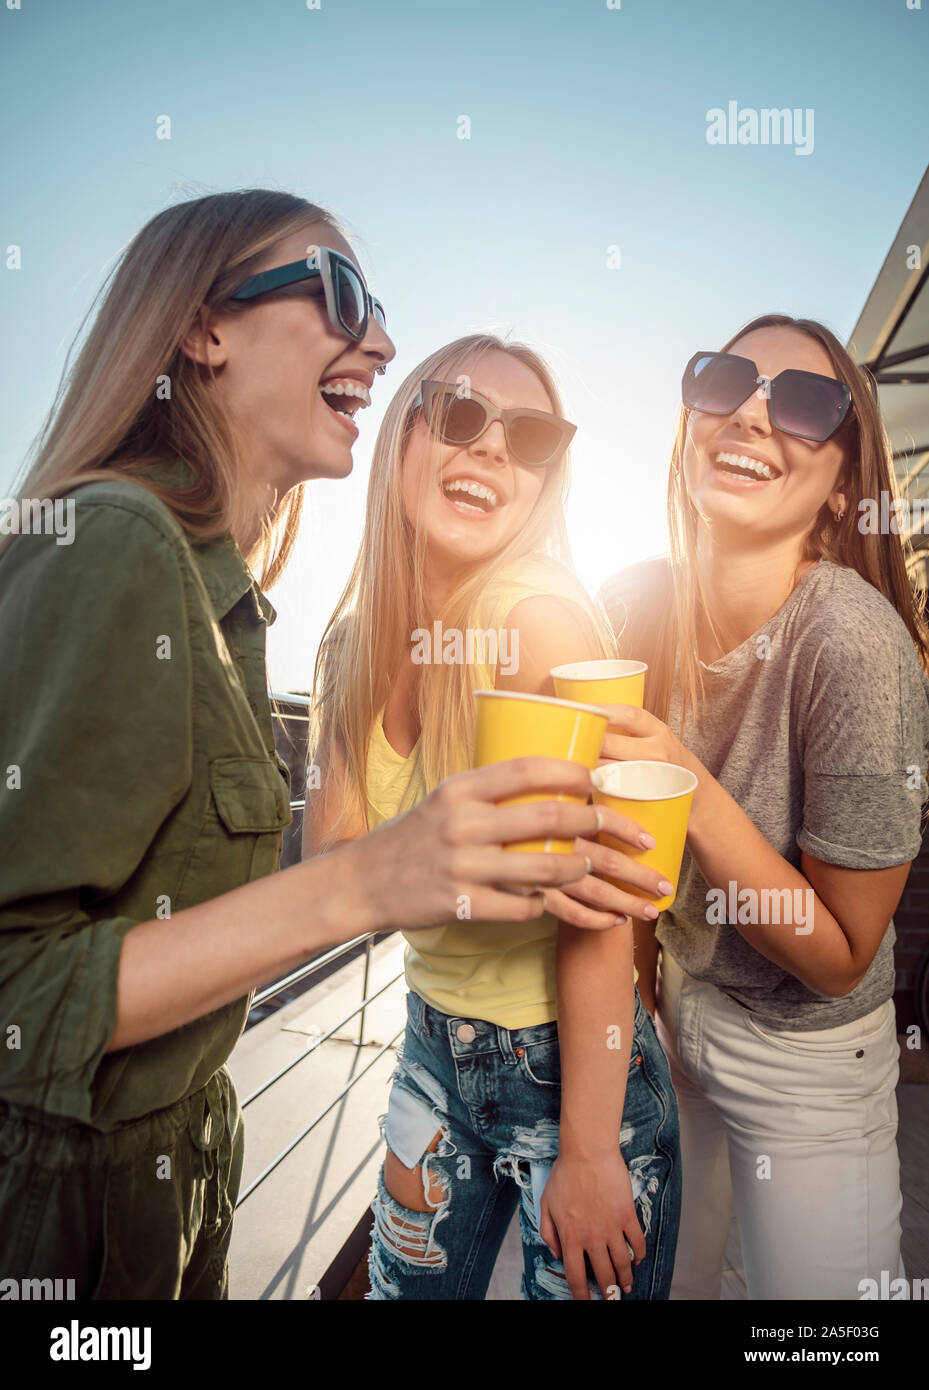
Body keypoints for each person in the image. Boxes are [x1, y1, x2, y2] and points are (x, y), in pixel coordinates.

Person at [0, 190, 611, 1300]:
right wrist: (377, 875)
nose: (376, 338)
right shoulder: (120, 540)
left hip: (171, 1178)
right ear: (204, 328)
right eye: (337, 292)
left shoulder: (227, 595)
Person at [305, 336, 682, 1300]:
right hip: (433, 1041)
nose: (489, 451)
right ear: (402, 433)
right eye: (461, 414)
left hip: (568, 1065)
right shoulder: (351, 642)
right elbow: (334, 873)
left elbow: (600, 903)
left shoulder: (536, 621)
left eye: (530, 437)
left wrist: (591, 1151)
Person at [598, 314, 929, 1299]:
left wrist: (685, 786)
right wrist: (642, 1007)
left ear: (839, 485)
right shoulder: (638, 604)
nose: (749, 410)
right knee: (687, 1284)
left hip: (807, 1062)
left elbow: (838, 957)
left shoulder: (853, 646)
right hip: (683, 1018)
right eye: (725, 380)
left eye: (800, 402)